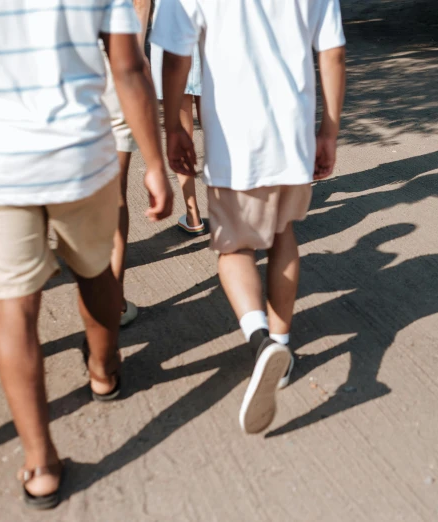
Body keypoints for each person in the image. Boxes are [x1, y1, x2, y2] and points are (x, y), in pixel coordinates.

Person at [0, 0, 172, 509]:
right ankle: (104, 373)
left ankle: (41, 465)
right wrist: (154, 162)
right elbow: (128, 66)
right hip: (79, 155)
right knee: (95, 272)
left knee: (13, 307)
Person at [151, 0, 346, 434]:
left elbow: (176, 54)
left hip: (237, 142)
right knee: (283, 235)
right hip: (292, 131)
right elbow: (331, 52)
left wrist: (174, 127)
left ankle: (260, 343)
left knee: (233, 247)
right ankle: (281, 344)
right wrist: (329, 131)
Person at [101, 0, 152, 326]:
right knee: (114, 196)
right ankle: (113, 300)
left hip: (60, 75)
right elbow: (141, 6)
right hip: (114, 69)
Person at [150, 2, 205, 236]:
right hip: (209, 38)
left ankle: (193, 215)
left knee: (181, 132)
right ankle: (228, 208)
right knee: (216, 132)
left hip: (173, 39)